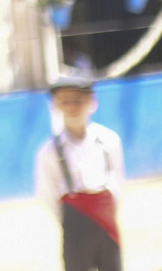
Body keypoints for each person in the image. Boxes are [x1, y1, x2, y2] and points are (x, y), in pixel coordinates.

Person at [35, 72, 124, 271]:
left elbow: (118, 179)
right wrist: (70, 220)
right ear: (56, 105)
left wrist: (106, 210)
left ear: (92, 103)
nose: (72, 107)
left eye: (78, 100)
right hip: (74, 228)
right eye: (64, 102)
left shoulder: (108, 140)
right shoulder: (48, 151)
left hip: (107, 225)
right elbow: (46, 193)